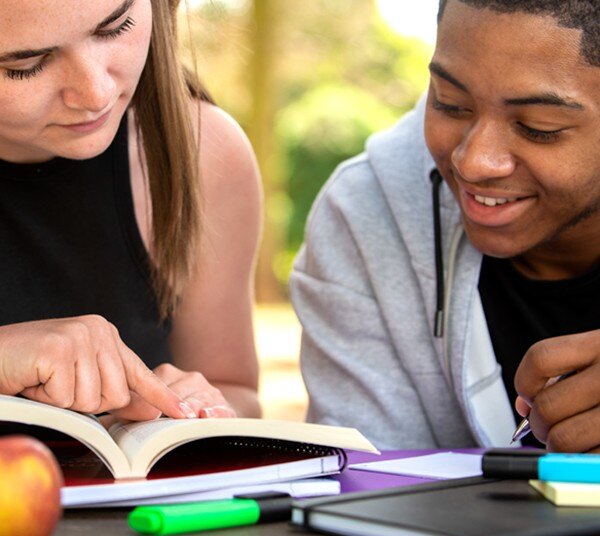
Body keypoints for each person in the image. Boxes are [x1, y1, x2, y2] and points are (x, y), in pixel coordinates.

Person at [290, 0, 600, 451]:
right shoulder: (365, 214)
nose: (473, 163)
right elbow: (370, 492)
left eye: (538, 126)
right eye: (450, 104)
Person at [0, 0, 262, 422]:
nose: (95, 94)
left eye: (115, 27)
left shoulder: (202, 154)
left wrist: (196, 408)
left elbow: (237, 391)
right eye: (25, 65)